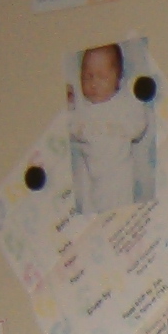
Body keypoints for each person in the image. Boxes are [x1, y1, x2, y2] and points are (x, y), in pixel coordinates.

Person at [65, 44, 150, 215]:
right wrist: (70, 106)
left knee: (121, 212)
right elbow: (72, 129)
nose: (93, 83)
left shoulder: (122, 104)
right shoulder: (83, 109)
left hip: (118, 174)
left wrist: (136, 103)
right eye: (87, 77)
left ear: (118, 80)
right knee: (91, 210)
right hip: (92, 175)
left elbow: (138, 127)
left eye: (102, 77)